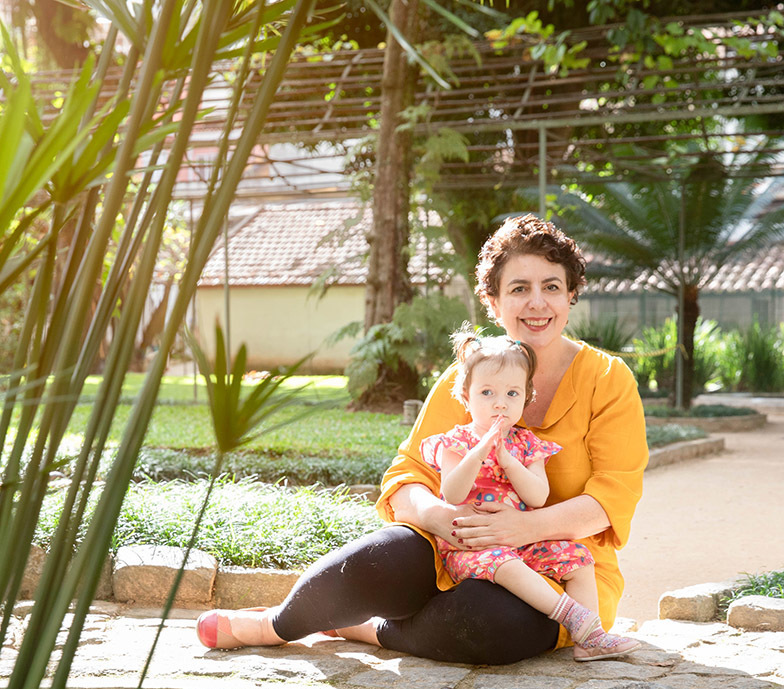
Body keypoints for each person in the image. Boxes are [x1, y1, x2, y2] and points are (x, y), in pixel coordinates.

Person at [196, 213, 648, 665]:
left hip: (555, 568)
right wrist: (439, 517)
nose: (537, 303)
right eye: (518, 288)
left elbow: (611, 499)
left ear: (571, 295)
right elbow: (408, 474)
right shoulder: (467, 378)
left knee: (487, 622)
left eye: (551, 286)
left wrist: (521, 527)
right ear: (492, 302)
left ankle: (371, 629)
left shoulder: (609, 380)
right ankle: (276, 624)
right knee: (380, 558)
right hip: (454, 547)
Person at [419, 325, 640, 662]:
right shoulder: (455, 443)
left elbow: (537, 497)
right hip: (475, 546)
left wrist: (509, 462)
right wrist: (478, 453)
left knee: (579, 558)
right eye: (487, 393)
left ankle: (590, 638)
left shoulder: (527, 445)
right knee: (505, 564)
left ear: (526, 398)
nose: (500, 405)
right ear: (465, 397)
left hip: (525, 541)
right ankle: (573, 617)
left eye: (512, 394)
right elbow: (451, 493)